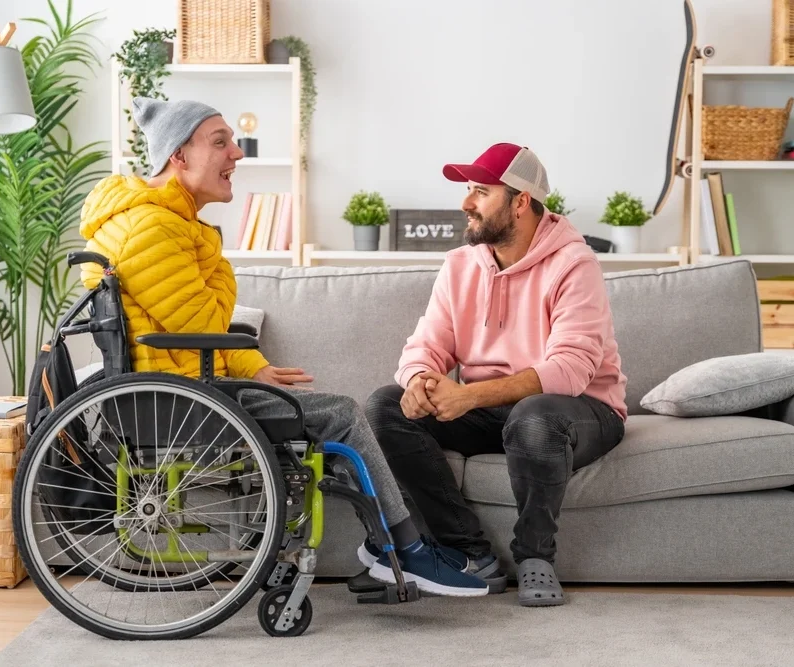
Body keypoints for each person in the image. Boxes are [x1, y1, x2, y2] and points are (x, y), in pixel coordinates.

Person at [76, 96, 489, 597]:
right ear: (178, 157)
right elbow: (205, 324)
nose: (236, 154)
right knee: (342, 411)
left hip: (177, 391)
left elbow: (202, 326)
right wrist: (216, 262)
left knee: (331, 417)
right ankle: (407, 550)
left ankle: (391, 545)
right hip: (178, 401)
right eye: (219, 142)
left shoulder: (163, 223)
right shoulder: (154, 227)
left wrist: (253, 368)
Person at [365, 142, 628, 607]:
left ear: (521, 201)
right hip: (492, 412)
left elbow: (570, 369)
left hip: (581, 412)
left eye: (480, 191)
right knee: (384, 406)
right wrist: (419, 381)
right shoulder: (460, 265)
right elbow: (426, 344)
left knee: (535, 415)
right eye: (468, 190)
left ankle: (535, 558)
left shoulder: (574, 263)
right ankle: (469, 554)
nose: (466, 203)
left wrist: (468, 396)